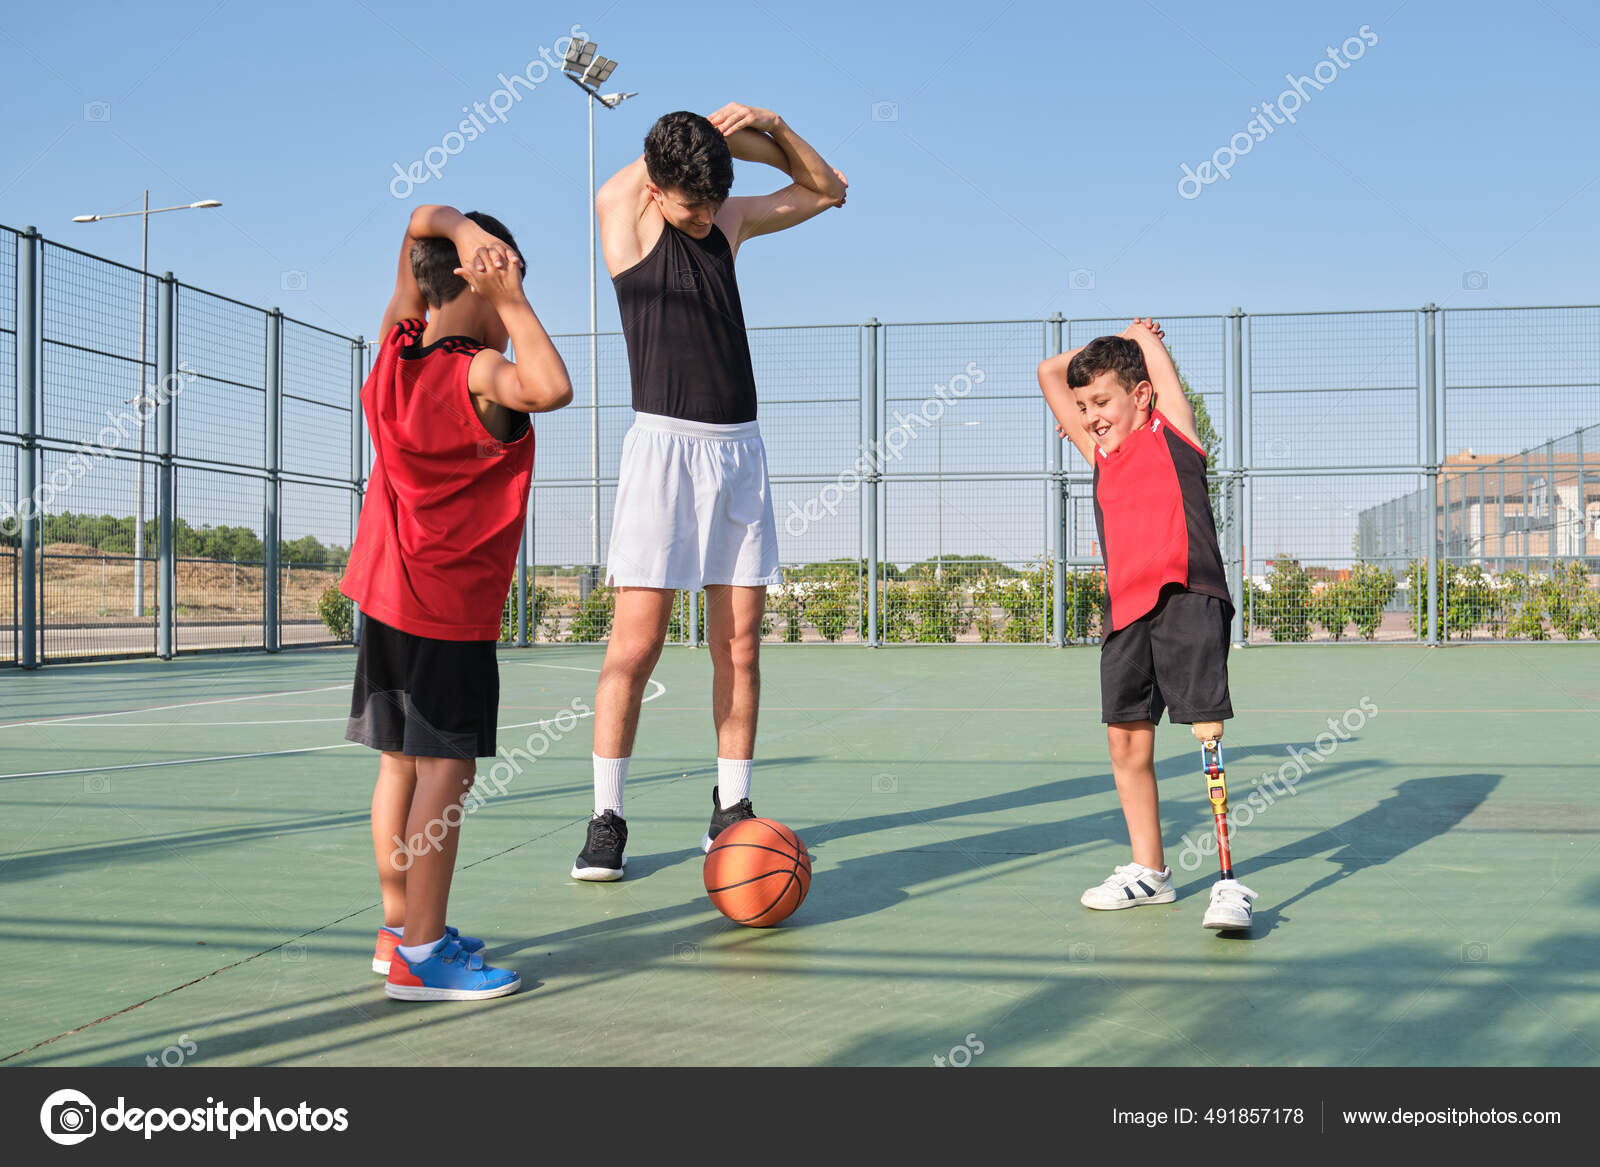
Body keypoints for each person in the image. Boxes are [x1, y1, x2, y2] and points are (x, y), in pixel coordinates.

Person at [572, 104, 847, 880]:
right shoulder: (624, 222)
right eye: (689, 201)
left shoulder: (724, 224)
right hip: (662, 452)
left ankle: (731, 810)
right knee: (635, 646)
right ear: (656, 190)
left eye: (709, 200)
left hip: (738, 454)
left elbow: (829, 190)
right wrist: (703, 132)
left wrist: (775, 127)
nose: (702, 217)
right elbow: (628, 180)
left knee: (741, 645)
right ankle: (607, 817)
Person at [341, 204, 573, 997]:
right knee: (447, 772)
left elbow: (414, 227)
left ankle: (398, 927)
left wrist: (452, 233)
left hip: (384, 593)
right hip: (447, 608)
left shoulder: (396, 350)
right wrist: (510, 295)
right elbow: (552, 386)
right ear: (477, 279)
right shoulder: (474, 371)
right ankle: (423, 955)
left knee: (400, 765)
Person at [1037, 319, 1257, 930]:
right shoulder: (1099, 453)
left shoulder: (1175, 434)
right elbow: (1048, 373)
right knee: (1125, 738)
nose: (1090, 415)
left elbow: (1157, 376)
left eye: (1102, 402)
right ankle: (1150, 873)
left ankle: (1227, 883)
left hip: (1188, 597)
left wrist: (1141, 341)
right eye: (1082, 407)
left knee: (1205, 730)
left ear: (1141, 396)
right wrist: (1111, 345)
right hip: (1126, 612)